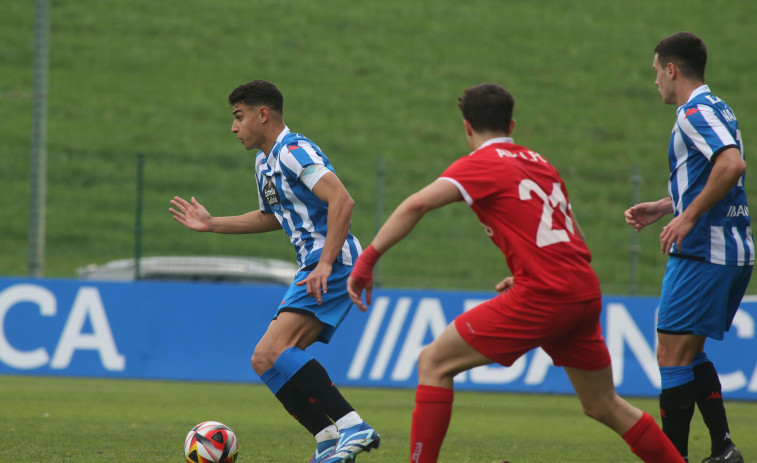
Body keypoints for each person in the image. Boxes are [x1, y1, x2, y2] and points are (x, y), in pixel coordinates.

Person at [347, 83, 684, 463]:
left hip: (545, 292)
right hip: (581, 287)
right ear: (511, 124)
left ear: (466, 127)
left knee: (433, 362)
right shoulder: (541, 162)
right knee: (604, 404)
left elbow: (415, 205)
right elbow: (572, 233)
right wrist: (531, 269)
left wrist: (367, 261)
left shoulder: (480, 164)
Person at [169, 80, 379, 463]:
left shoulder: (294, 150)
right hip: (316, 264)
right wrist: (213, 223)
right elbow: (273, 217)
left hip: (330, 261)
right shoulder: (264, 162)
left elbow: (342, 201)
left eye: (239, 116)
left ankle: (353, 425)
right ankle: (329, 438)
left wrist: (327, 262)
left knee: (278, 349)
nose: (234, 127)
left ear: (262, 114)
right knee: (264, 358)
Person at [624, 32, 750, 463]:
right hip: (728, 248)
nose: (655, 80)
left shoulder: (692, 112)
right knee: (689, 352)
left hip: (703, 250)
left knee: (670, 354)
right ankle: (723, 449)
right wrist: (667, 206)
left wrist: (689, 216)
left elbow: (732, 165)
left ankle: (673, 457)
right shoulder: (718, 108)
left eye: (657, 71)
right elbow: (713, 173)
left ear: (672, 69)